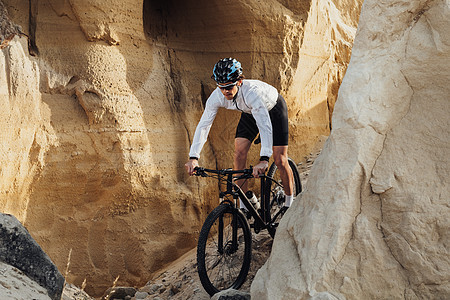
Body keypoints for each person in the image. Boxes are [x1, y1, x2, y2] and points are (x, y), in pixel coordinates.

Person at [185, 57, 294, 210]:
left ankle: (290, 204)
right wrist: (193, 157)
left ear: (239, 82)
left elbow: (264, 126)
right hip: (249, 112)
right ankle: (245, 203)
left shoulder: (252, 94)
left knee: (280, 159)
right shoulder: (217, 96)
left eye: (229, 86)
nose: (225, 91)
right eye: (221, 87)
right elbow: (204, 125)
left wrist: (264, 159)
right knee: (238, 153)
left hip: (273, 110)